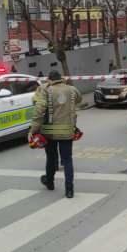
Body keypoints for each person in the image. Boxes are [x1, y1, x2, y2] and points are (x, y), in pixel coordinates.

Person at [30, 70, 82, 198]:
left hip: (49, 131)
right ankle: (69, 190)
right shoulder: (72, 89)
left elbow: (39, 110)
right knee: (67, 159)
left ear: (49, 79)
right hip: (67, 130)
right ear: (61, 79)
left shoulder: (46, 91)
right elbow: (79, 100)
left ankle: (50, 182)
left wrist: (33, 130)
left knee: (51, 158)